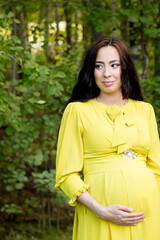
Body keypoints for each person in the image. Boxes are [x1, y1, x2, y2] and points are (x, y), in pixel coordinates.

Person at [55, 36, 160, 240]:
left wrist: (150, 201)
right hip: (99, 217)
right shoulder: (77, 111)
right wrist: (100, 210)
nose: (106, 73)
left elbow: (157, 169)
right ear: (91, 70)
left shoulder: (144, 110)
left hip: (147, 218)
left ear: (125, 69)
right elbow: (66, 176)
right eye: (99, 66)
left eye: (114, 65)